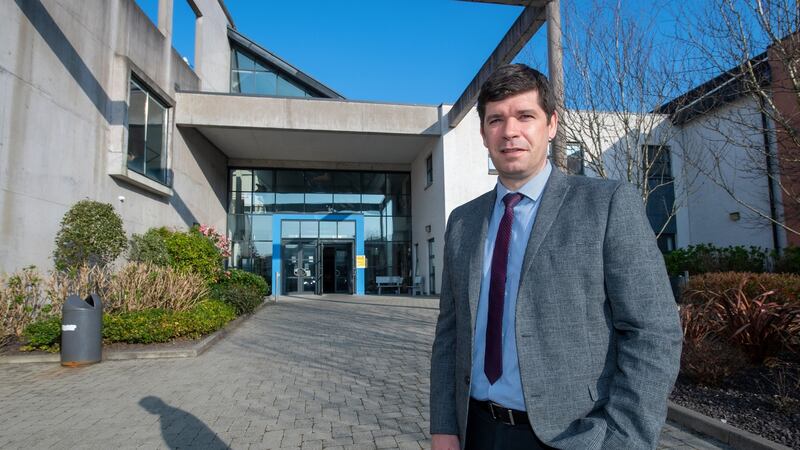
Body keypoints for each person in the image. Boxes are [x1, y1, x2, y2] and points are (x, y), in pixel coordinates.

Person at [429, 64, 682, 450]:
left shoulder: (607, 204)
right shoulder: (462, 222)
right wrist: (444, 427)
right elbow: (450, 333)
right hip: (476, 430)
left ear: (551, 124)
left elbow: (653, 333)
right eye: (495, 120)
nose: (509, 131)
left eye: (524, 116)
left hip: (575, 436)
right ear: (483, 134)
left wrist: (623, 441)